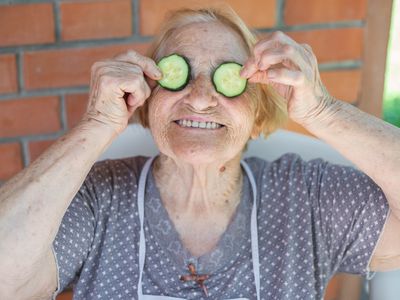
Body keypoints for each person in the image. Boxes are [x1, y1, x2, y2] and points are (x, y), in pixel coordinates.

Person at [0, 6, 399, 300]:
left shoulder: (305, 196)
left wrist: (322, 111)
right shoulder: (98, 197)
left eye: (227, 78)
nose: (201, 98)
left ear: (259, 113)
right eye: (179, 75)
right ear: (146, 100)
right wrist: (95, 126)